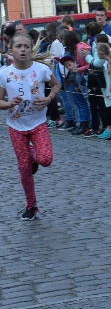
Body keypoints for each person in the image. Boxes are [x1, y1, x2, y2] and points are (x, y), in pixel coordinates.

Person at [0, 31, 61, 220]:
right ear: (11, 50)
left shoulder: (41, 69)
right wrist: (9, 104)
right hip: (16, 126)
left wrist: (49, 98)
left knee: (46, 160)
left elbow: (56, 85)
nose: (23, 50)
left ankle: (34, 154)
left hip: (37, 124)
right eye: (18, 46)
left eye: (26, 46)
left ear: (31, 49)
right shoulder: (4, 73)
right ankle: (31, 205)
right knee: (24, 168)